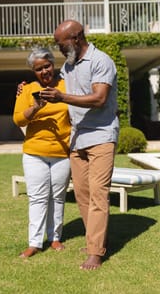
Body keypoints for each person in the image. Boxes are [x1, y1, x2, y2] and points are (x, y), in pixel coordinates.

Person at [40, 20, 119, 270]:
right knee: (83, 195)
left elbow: (99, 98)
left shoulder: (101, 61)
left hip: (101, 136)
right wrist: (30, 85)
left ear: (76, 38)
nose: (58, 48)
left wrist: (62, 98)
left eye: (60, 43)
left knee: (98, 194)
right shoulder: (69, 65)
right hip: (78, 138)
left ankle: (96, 252)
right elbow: (55, 85)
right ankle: (95, 239)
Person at [13, 47, 71, 258]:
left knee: (58, 197)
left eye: (47, 66)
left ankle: (55, 238)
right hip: (34, 153)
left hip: (61, 153)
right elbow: (18, 119)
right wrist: (36, 107)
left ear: (53, 64)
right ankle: (34, 243)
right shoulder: (27, 90)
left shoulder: (66, 86)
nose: (44, 71)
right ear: (33, 71)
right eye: (39, 69)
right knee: (37, 198)